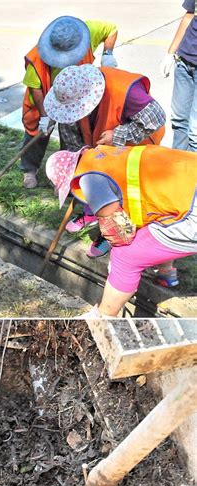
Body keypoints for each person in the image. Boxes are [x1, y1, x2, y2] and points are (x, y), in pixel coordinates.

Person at [45, 145, 197, 317]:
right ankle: (166, 274)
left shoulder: (89, 180)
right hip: (188, 182)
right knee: (153, 227)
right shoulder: (104, 155)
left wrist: (115, 259)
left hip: (193, 212)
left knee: (125, 255)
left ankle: (103, 317)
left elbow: (120, 232)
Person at [44, 64, 166, 257]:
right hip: (104, 144)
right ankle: (92, 211)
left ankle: (113, 234)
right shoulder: (74, 86)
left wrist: (118, 135)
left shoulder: (126, 90)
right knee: (96, 179)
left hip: (137, 144)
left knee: (120, 191)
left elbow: (156, 119)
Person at [20, 16, 118, 189]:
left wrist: (108, 53)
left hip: (74, 97)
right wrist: (45, 116)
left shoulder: (88, 31)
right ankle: (29, 169)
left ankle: (66, 174)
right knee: (36, 132)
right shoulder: (37, 58)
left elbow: (111, 30)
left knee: (72, 134)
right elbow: (36, 88)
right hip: (44, 97)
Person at [161, 0, 197, 152]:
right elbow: (189, 15)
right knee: (178, 120)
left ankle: (191, 172)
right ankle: (177, 166)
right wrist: (170, 53)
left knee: (195, 131)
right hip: (184, 61)